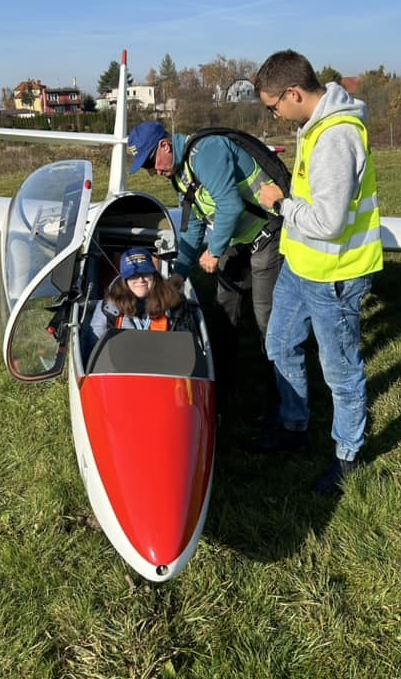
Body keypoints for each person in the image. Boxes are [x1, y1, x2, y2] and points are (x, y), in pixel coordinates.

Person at [253, 49, 383, 495]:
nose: (274, 116)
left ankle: (348, 456)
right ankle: (294, 427)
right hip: (301, 265)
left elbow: (328, 223)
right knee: (280, 343)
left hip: (334, 274)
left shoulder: (335, 137)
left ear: (293, 93)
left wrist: (280, 204)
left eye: (274, 107)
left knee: (341, 372)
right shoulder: (315, 126)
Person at [127, 120, 283, 407]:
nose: (152, 172)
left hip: (267, 235)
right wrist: (178, 277)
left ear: (165, 145)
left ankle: (280, 402)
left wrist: (214, 251)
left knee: (267, 319)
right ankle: (220, 387)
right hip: (238, 240)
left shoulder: (206, 152)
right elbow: (193, 227)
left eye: (150, 162)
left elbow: (230, 206)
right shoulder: (180, 176)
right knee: (224, 308)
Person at [82, 247, 185, 355]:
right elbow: (93, 349)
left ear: (153, 276)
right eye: (133, 275)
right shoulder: (108, 308)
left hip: (162, 365)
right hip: (119, 367)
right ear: (124, 280)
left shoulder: (173, 304)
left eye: (145, 273)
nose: (140, 279)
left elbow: (183, 347)